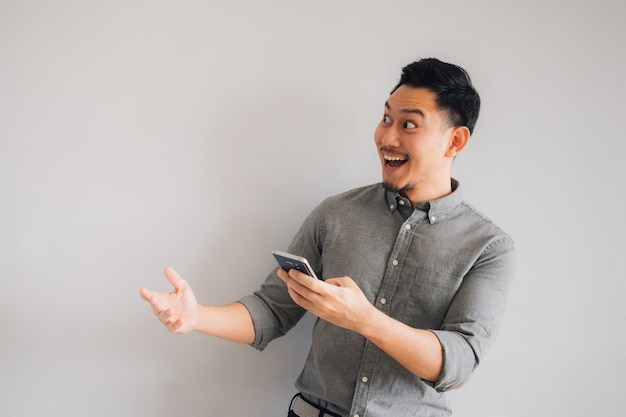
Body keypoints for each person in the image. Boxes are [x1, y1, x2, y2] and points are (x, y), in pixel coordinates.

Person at [140, 57, 516, 417]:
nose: (388, 137)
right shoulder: (335, 213)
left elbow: (458, 363)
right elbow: (272, 310)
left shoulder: (488, 247)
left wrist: (364, 319)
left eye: (409, 125)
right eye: (386, 118)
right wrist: (194, 316)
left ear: (455, 142)